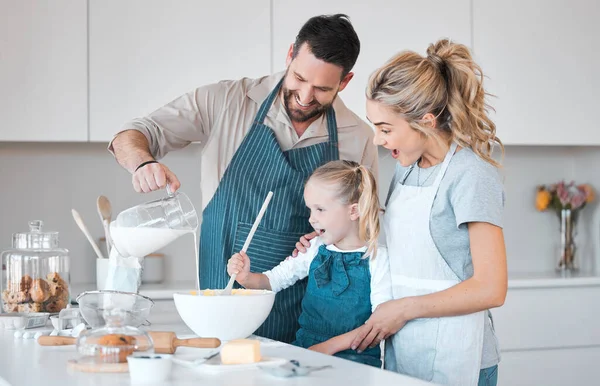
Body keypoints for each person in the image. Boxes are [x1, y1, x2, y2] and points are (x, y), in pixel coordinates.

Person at [108, 14, 378, 343]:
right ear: (290, 54)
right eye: (299, 78)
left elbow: (368, 228)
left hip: (310, 322)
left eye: (322, 89)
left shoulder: (357, 137)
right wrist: (142, 163)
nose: (305, 96)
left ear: (345, 81)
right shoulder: (227, 101)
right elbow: (133, 134)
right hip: (221, 308)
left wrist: (334, 236)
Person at [296, 39, 507, 385]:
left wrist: (405, 308)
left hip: (459, 355)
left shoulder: (471, 175)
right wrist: (331, 235)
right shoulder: (407, 168)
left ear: (425, 121)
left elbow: (491, 288)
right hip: (404, 351)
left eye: (386, 129)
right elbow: (393, 244)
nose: (377, 140)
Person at [227, 160, 391, 367]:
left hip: (355, 360)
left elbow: (378, 324)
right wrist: (246, 277)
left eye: (320, 209)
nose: (312, 219)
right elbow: (272, 281)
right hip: (306, 350)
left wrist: (327, 347)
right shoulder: (313, 247)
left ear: (353, 211)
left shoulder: (378, 259)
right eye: (310, 210)